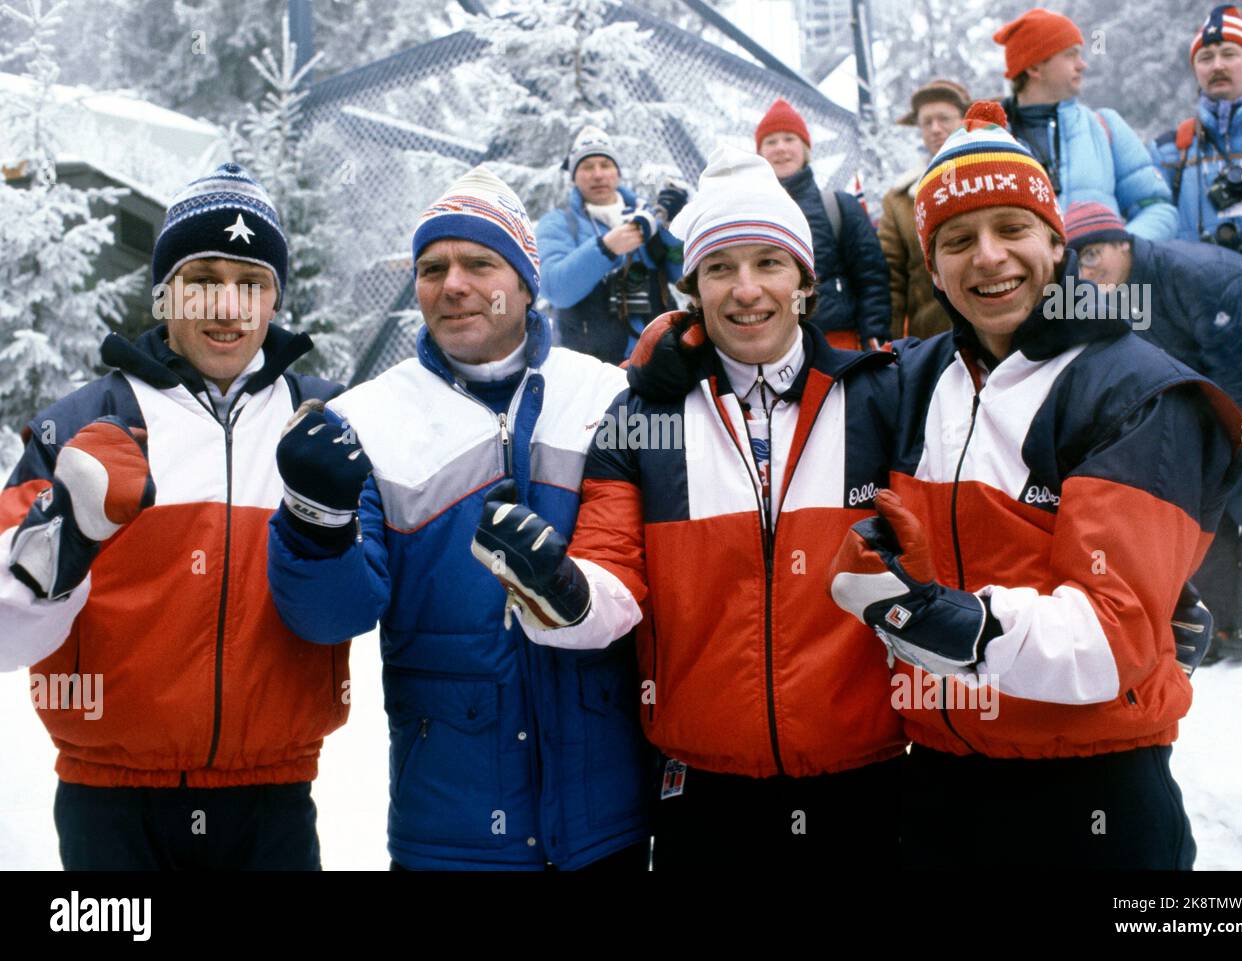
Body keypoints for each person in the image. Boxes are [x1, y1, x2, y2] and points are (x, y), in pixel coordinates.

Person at [828, 103, 1240, 869]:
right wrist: (674, 358)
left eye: (1011, 230)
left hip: (1094, 791)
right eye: (957, 239)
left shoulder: (1136, 388)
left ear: (1057, 242)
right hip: (943, 779)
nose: (987, 258)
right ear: (933, 263)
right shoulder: (912, 380)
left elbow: (1111, 637)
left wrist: (960, 623)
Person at [472, 146, 906, 870]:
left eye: (768, 262)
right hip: (704, 791)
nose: (746, 290)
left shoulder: (880, 396)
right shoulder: (645, 412)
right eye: (719, 268)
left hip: (865, 780)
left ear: (805, 280)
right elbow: (612, 569)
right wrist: (562, 589)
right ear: (692, 288)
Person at [267, 166, 651, 871]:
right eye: (431, 267)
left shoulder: (607, 396)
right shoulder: (368, 418)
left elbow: (644, 575)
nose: (452, 284)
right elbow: (329, 617)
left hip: (605, 817)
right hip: (451, 827)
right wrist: (312, 525)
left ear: (527, 282)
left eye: (480, 262)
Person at [0, 162, 348, 870]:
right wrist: (66, 532)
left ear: (275, 299)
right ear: (165, 294)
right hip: (110, 801)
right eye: (203, 281)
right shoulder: (84, 421)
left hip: (275, 796)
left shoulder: (321, 420)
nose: (228, 307)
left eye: (251, 284)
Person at [1064, 200, 1242, 666]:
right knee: (1202, 492)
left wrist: (1239, 449)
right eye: (1078, 260)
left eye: (1094, 254)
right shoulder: (1122, 289)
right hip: (1216, 382)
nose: (1087, 270)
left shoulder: (1198, 275)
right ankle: (1219, 617)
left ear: (1121, 242)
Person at [994, 7, 1178, 241]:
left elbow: (1158, 208)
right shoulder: (989, 137)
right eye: (1071, 54)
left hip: (1102, 278)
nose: (1083, 65)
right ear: (1034, 67)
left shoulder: (1106, 126)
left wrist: (1118, 253)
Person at [1150, 5, 1242, 276]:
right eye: (1205, 58)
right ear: (1195, 70)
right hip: (1202, 310)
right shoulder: (1171, 152)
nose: (1217, 65)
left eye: (1229, 54)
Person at [536, 126, 686, 365]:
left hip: (658, 359)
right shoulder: (558, 223)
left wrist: (673, 227)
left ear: (617, 172)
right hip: (591, 368)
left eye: (605, 165)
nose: (598, 174)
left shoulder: (647, 216)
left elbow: (684, 274)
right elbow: (555, 288)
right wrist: (605, 249)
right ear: (574, 176)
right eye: (587, 167)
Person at [755, 98, 893, 350]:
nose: (780, 148)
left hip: (840, 344)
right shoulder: (749, 214)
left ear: (805, 148)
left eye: (789, 139)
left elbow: (871, 276)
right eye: (771, 141)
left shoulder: (839, 207)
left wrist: (873, 335)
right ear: (760, 153)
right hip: (774, 347)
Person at [878, 78, 971, 340]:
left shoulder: (1001, 177)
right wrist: (891, 351)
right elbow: (891, 279)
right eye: (926, 122)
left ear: (964, 121)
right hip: (935, 340)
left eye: (944, 119)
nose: (935, 129)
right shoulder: (900, 200)